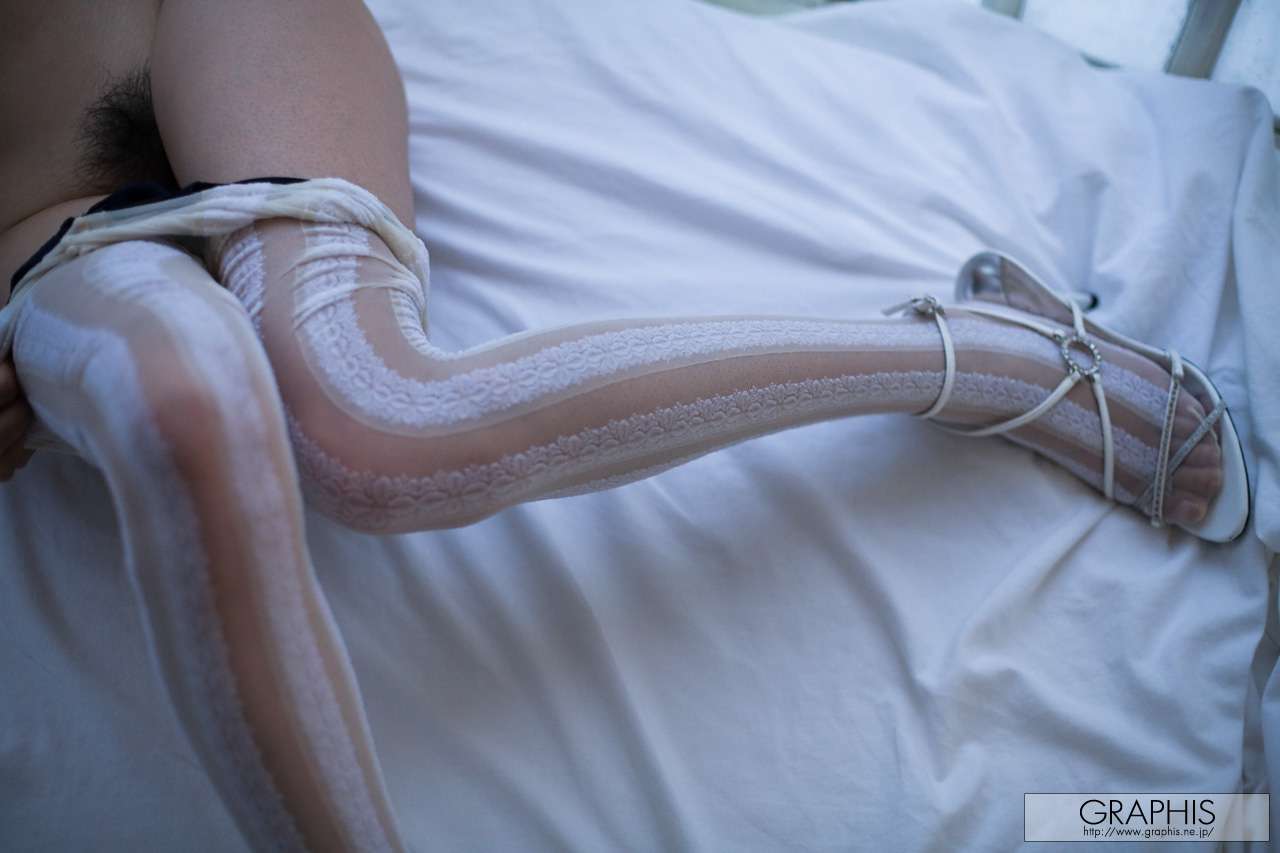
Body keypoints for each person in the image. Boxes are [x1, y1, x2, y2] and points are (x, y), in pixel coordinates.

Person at [0, 1, 1237, 850]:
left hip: (180, 30)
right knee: (173, 410)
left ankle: (990, 360)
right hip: (28, 224)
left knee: (372, 426)